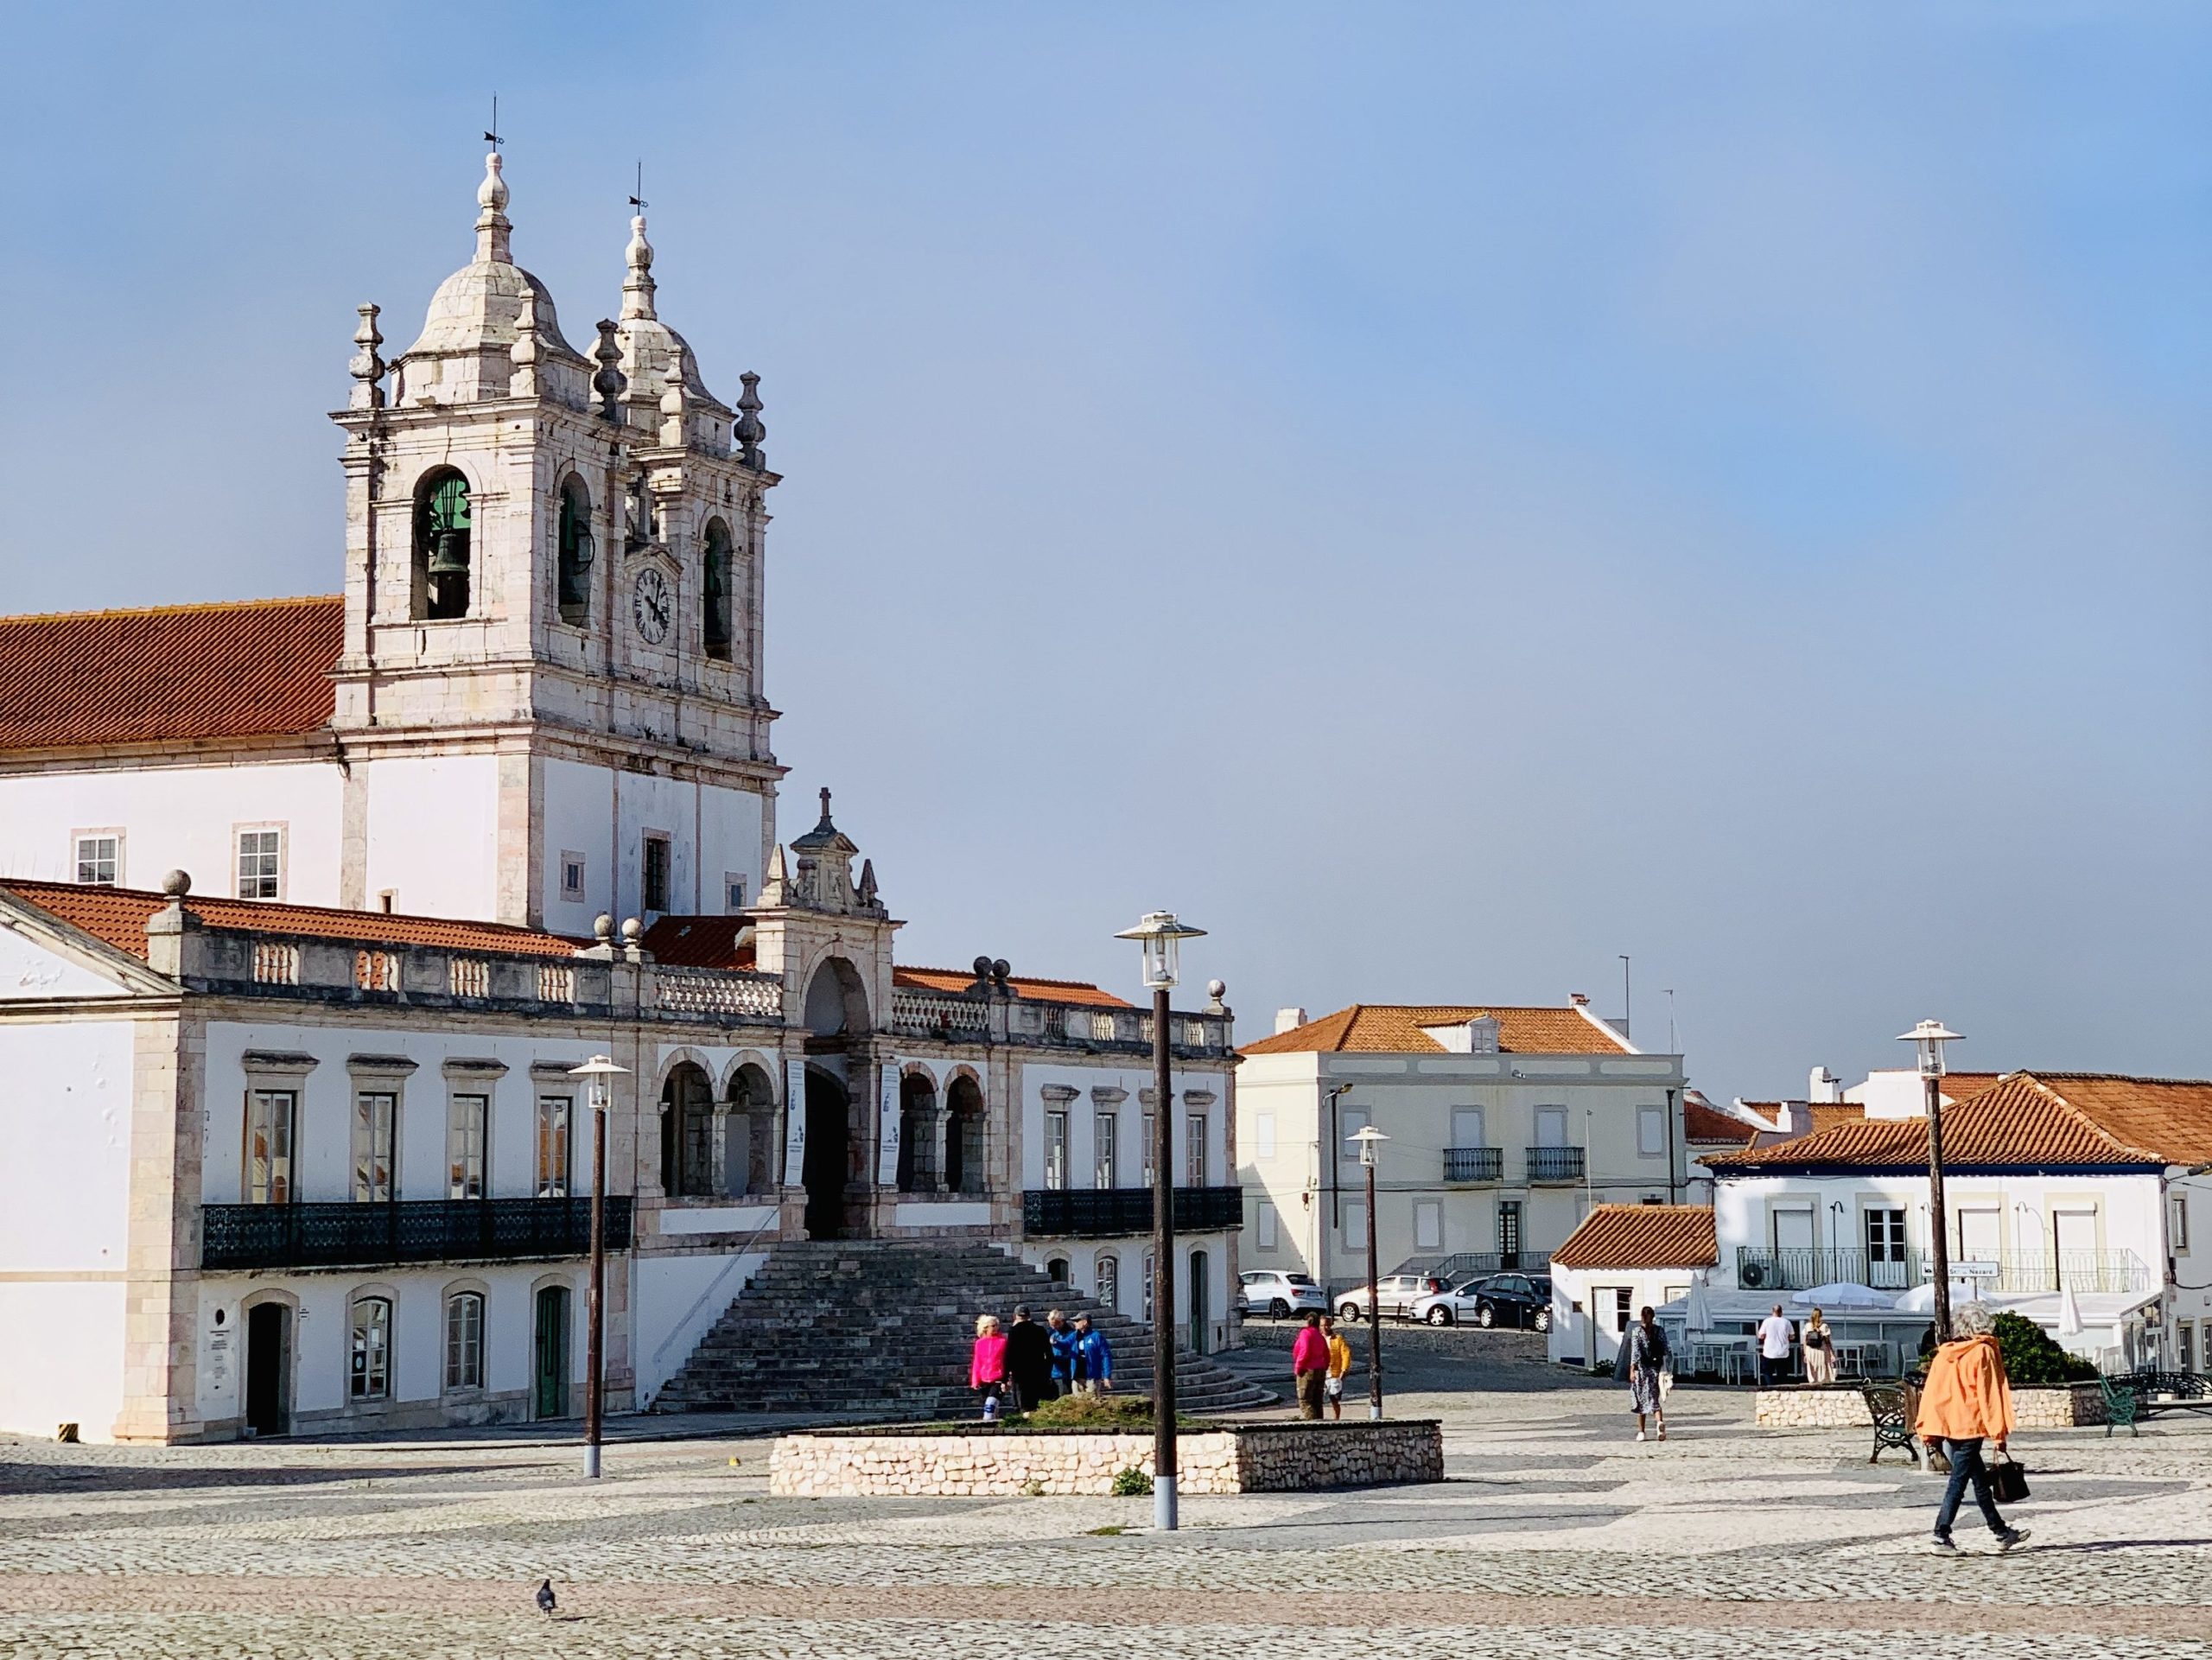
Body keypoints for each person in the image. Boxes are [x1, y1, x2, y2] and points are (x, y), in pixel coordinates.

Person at [1915, 1301, 2030, 1553]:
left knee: (1979, 1482)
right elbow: (1989, 1395)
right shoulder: (1982, 1352)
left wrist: (1927, 1430)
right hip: (1969, 1427)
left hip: (1948, 1426)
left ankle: (2001, 1532)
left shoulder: (1944, 1353)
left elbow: (1932, 1393)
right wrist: (1998, 1434)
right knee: (1958, 1482)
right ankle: (1940, 1535)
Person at [1619, 1306, 1669, 1441]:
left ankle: (1641, 1432)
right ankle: (1659, 1423)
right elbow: (1666, 1349)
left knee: (1640, 1401)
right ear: (1653, 1317)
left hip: (1642, 1370)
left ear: (1641, 1316)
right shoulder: (1660, 1331)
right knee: (1654, 1399)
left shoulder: (1637, 1332)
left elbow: (1635, 1353)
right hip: (1656, 1370)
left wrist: (1632, 1370)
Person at [1005, 1304, 1053, 1411]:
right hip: (1038, 1372)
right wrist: (1047, 1372)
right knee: (1037, 1405)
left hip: (1020, 1374)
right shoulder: (1040, 1330)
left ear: (1015, 1316)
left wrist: (1005, 1375)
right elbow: (1049, 1354)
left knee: (1024, 1405)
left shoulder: (1014, 1331)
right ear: (1029, 1315)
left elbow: (1009, 1354)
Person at [1291, 1312, 1330, 1420]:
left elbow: (1304, 1350)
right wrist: (1324, 1366)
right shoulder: (1320, 1336)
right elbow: (1326, 1353)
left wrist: (1298, 1367)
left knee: (1305, 1401)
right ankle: (1320, 1424)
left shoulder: (1306, 1333)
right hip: (1320, 1369)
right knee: (1317, 1401)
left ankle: (1312, 1424)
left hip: (1308, 1369)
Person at [970, 1313, 1007, 1415]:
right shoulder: (979, 1343)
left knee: (990, 1405)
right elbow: (977, 1362)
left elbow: (1006, 1360)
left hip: (998, 1378)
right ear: (985, 1328)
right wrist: (975, 1380)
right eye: (993, 1326)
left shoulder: (1003, 1341)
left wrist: (1007, 1378)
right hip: (984, 1379)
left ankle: (987, 1423)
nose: (996, 1328)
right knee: (992, 1406)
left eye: (996, 1325)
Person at [1071, 1313, 1113, 1395]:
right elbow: (1064, 1344)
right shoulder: (1074, 1335)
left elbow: (1106, 1356)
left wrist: (1107, 1376)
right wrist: (1055, 1343)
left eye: (1077, 1321)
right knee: (1077, 1403)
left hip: (1092, 1378)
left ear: (1085, 1322)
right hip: (1078, 1377)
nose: (1074, 1323)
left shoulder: (1096, 1337)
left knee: (1091, 1402)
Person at [1755, 1304, 1796, 1387]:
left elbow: (1761, 1335)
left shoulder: (1767, 1321)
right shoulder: (1786, 1322)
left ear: (1772, 1311)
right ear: (1781, 1312)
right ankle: (1781, 1388)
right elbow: (1792, 1336)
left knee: (1767, 1372)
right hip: (1783, 1352)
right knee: (1782, 1373)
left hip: (1769, 1352)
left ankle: (1770, 1387)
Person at [1323, 1316, 1354, 1421]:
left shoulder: (1337, 1338)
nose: (1325, 1327)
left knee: (1334, 1398)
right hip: (1320, 1372)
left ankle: (1336, 1418)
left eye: (1327, 1325)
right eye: (1322, 1325)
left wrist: (1344, 1369)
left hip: (1334, 1373)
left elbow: (1345, 1354)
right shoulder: (1317, 1338)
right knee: (1318, 1398)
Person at [1046, 1309, 1077, 1399]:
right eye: (1051, 1325)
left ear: (1062, 1321)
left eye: (1056, 1324)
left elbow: (1071, 1355)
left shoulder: (1070, 1334)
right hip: (1052, 1373)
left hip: (1064, 1374)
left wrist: (1054, 1358)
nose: (1053, 1327)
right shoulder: (1051, 1332)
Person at [1801, 1307, 1836, 1385]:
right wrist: (1831, 1353)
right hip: (1821, 1350)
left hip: (1810, 1350)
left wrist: (1805, 1353)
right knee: (1823, 1367)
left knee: (1812, 1368)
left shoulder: (1807, 1326)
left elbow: (1805, 1341)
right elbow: (1827, 1341)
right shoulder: (1824, 1326)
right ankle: (1822, 1383)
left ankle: (1812, 1382)